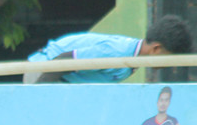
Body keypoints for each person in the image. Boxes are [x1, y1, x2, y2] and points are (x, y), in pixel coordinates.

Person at [24, 15, 192, 84]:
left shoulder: (132, 59)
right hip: (44, 72)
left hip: (61, 80)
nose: (170, 65)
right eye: (170, 59)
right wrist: (36, 93)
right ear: (156, 49)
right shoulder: (118, 53)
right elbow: (64, 60)